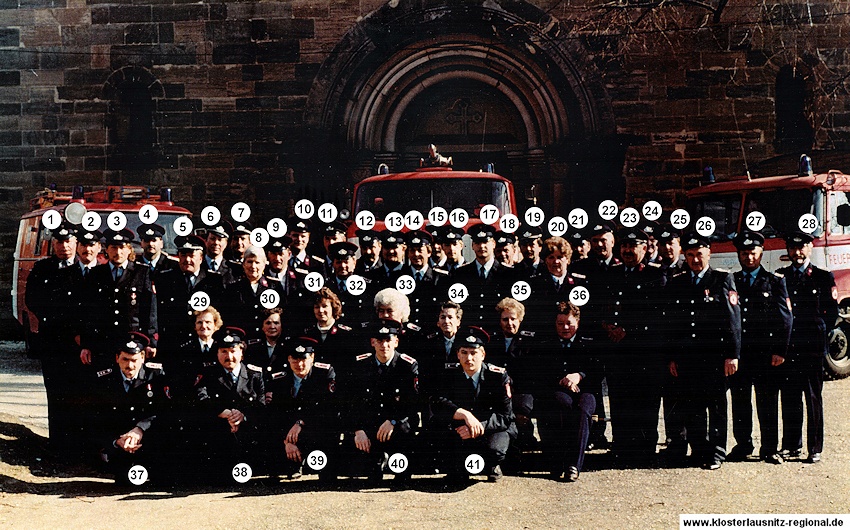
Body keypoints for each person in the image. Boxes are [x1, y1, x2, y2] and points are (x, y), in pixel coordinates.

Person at [666, 233, 741, 470]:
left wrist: (733, 354)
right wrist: (673, 357)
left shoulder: (722, 279)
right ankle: (700, 450)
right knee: (693, 405)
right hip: (688, 358)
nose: (695, 259)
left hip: (714, 357)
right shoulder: (678, 282)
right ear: (685, 256)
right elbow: (674, 325)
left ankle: (717, 452)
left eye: (699, 254)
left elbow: (733, 321)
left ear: (709, 254)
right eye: (690, 255)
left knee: (716, 405)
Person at [599, 228, 666, 465]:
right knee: (619, 398)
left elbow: (658, 313)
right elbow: (601, 305)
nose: (628, 251)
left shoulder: (655, 275)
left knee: (645, 400)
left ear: (645, 248)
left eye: (633, 246)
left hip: (643, 350)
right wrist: (607, 326)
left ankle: (646, 449)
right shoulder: (611, 273)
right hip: (617, 350)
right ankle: (622, 446)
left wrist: (627, 329)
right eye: (624, 246)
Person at [729, 231, 793, 464]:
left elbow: (786, 319)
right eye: (744, 253)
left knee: (767, 402)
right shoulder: (732, 280)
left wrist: (780, 351)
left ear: (761, 253)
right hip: (741, 353)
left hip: (766, 355)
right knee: (740, 401)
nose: (748, 258)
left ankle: (769, 448)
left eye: (752, 253)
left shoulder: (775, 281)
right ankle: (743, 444)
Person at [777, 230, 838, 464]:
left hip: (812, 347)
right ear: (788, 251)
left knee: (812, 398)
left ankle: (814, 447)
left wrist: (819, 333)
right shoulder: (781, 276)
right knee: (790, 397)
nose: (797, 252)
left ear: (810, 248)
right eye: (793, 248)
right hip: (790, 347)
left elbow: (831, 313)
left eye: (801, 247)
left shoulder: (823, 277)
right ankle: (792, 445)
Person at [430, 326, 515, 482]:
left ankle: (492, 465)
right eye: (464, 352)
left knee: (495, 450)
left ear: (482, 354)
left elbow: (506, 416)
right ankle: (460, 466)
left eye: (474, 353)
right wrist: (464, 414)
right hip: (461, 425)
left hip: (491, 427)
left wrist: (479, 426)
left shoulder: (497, 376)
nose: (469, 358)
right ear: (457, 354)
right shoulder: (449, 374)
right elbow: (438, 402)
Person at [25, 222, 79, 454]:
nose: (64, 246)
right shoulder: (42, 269)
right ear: (53, 244)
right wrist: (53, 317)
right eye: (59, 241)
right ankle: (57, 443)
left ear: (76, 243)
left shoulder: (85, 269)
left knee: (79, 392)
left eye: (68, 241)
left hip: (78, 342)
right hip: (53, 341)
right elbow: (32, 299)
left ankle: (81, 444)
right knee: (55, 391)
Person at [89, 332, 172, 483]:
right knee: (122, 478)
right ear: (117, 358)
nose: (130, 366)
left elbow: (162, 411)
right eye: (125, 359)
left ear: (143, 357)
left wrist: (140, 429)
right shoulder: (103, 380)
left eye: (134, 360)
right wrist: (116, 441)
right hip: (119, 443)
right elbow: (96, 419)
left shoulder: (156, 376)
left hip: (145, 440)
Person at [346, 320, 420, 482]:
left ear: (396, 342)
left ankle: (396, 462)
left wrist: (393, 420)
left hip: (399, 422)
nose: (384, 345)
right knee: (365, 474)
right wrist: (358, 430)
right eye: (379, 341)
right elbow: (352, 402)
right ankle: (378, 460)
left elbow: (412, 403)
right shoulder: (361, 365)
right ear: (372, 342)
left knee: (402, 476)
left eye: (388, 340)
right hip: (371, 424)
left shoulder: (407, 365)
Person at [191, 327, 267, 479]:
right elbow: (201, 399)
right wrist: (224, 413)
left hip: (249, 437)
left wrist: (243, 415)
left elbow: (262, 405)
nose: (229, 356)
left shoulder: (255, 375)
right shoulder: (208, 375)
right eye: (223, 351)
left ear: (242, 353)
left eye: (233, 351)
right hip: (219, 439)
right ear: (217, 353)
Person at [533, 302, 597, 481]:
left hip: (586, 390)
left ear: (577, 322)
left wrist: (580, 375)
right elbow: (540, 371)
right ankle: (558, 459)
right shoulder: (547, 343)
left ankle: (574, 465)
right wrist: (561, 379)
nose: (565, 328)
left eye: (569, 323)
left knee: (584, 410)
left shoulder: (589, 342)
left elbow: (598, 369)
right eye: (560, 324)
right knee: (563, 404)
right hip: (559, 389)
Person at [265, 337, 340, 481]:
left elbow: (327, 408)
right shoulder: (279, 379)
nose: (299, 364)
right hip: (290, 433)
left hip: (316, 428)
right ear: (288, 359)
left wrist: (301, 422)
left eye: (304, 359)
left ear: (312, 357)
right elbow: (276, 414)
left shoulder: (324, 374)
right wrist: (287, 442)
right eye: (295, 359)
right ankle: (293, 463)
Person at [81, 228, 157, 369]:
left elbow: (150, 310)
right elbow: (88, 313)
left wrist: (150, 342)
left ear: (129, 250)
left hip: (132, 340)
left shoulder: (142, 272)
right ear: (107, 250)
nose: (118, 252)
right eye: (113, 247)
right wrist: (86, 345)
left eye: (122, 247)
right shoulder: (96, 274)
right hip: (103, 342)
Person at [154, 235, 226, 353]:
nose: (187, 260)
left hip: (202, 343)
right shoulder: (164, 279)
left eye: (192, 255)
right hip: (172, 343)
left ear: (201, 257)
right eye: (183, 255)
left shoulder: (213, 280)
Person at [488, 298, 537, 453]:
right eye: (505, 319)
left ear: (520, 319)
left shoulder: (530, 340)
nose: (509, 323)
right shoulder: (492, 340)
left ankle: (523, 439)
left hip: (523, 389)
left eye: (513, 319)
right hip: (499, 387)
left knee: (521, 407)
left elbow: (531, 371)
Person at [451, 224, 512, 329]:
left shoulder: (507, 274)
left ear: (493, 244)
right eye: (478, 243)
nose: (482, 246)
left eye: (485, 242)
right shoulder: (461, 274)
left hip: (497, 333)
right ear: (472, 246)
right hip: (469, 332)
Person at [222, 246, 284, 340]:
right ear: (243, 264)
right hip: (242, 341)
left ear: (264, 265)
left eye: (257, 262)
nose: (253, 266)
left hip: (266, 342)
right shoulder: (233, 289)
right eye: (250, 262)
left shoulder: (274, 287)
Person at [301, 288, 355, 380]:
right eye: (317, 307)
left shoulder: (346, 334)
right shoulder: (307, 334)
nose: (320, 310)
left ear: (333, 307)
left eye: (324, 306)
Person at [405, 230, 448, 326]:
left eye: (420, 250)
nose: (416, 254)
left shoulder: (441, 279)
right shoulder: (398, 277)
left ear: (429, 252)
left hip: (430, 333)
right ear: (408, 253)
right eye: (412, 250)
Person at [326, 241, 372, 324]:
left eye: (346, 262)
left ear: (354, 262)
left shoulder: (365, 285)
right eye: (338, 262)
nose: (342, 266)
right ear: (333, 264)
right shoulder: (326, 285)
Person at [245, 308, 289, 389]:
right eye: (268, 323)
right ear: (262, 327)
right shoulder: (253, 348)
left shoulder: (288, 348)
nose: (272, 326)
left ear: (281, 326)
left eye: (276, 323)